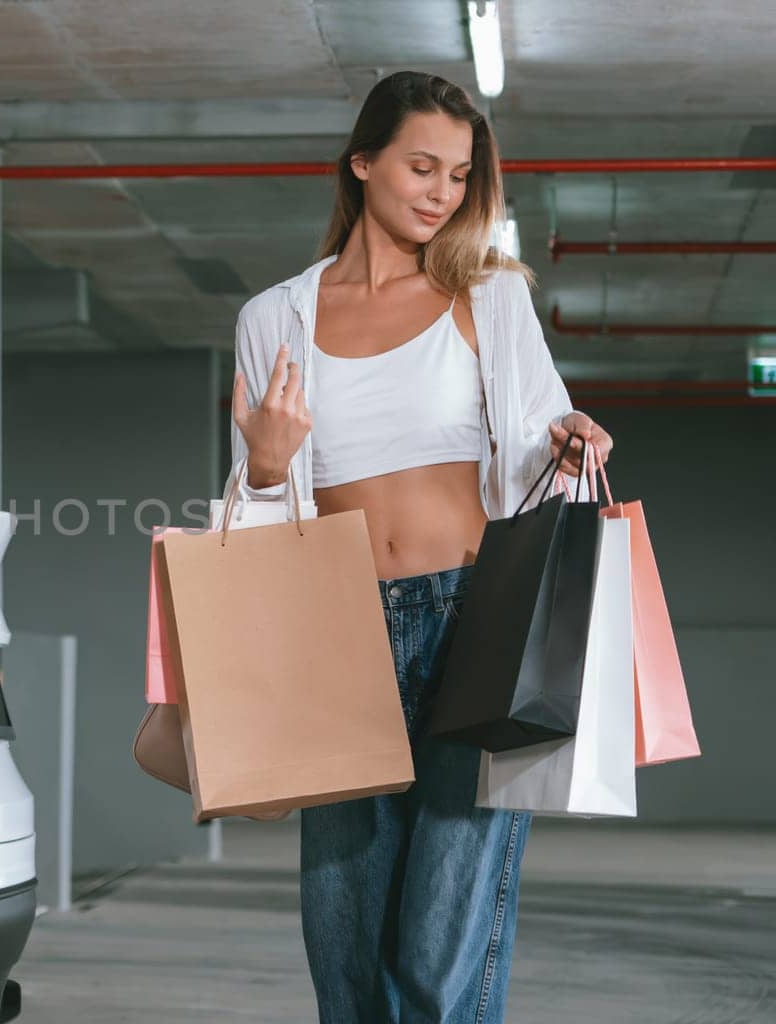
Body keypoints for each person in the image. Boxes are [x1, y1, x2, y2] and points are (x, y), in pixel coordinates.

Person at [228, 71, 615, 1023]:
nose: (442, 191)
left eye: (459, 173)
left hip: (474, 616)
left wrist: (570, 434)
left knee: (441, 934)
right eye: (421, 166)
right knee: (345, 933)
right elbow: (262, 514)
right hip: (339, 626)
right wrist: (267, 467)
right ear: (363, 163)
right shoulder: (273, 318)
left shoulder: (485, 295)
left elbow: (532, 439)